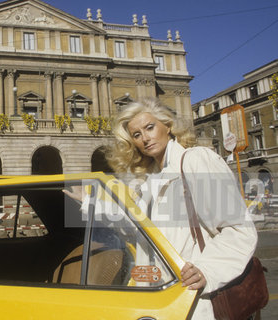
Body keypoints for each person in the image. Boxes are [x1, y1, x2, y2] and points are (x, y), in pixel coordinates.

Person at [106, 98, 257, 319]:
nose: (145, 138)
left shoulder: (196, 160)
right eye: (137, 135)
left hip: (195, 300)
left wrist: (208, 270)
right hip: (161, 300)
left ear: (167, 126)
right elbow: (138, 233)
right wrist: (88, 201)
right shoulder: (150, 181)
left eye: (150, 127)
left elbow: (238, 229)